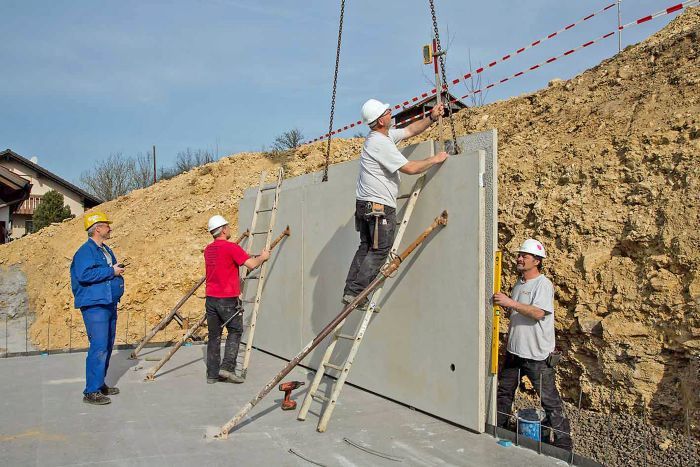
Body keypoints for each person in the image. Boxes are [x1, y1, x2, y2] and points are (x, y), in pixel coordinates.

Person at [343, 99, 450, 305]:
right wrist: (434, 160)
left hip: (367, 205)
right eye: (387, 111)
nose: (390, 112)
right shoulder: (379, 143)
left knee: (366, 247)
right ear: (380, 120)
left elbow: (409, 130)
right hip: (378, 207)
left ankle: (351, 291)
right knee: (380, 249)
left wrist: (431, 118)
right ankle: (357, 292)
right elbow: (410, 168)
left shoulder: (383, 136)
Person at [493, 239, 573, 450]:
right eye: (519, 255)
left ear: (537, 261)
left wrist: (510, 302)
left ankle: (565, 446)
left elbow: (538, 313)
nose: (519, 258)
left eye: (524, 256)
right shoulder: (520, 283)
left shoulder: (543, 285)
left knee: (550, 402)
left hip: (537, 356)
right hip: (515, 353)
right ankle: (498, 428)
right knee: (504, 393)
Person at [204, 215, 270, 384]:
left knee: (214, 336)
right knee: (235, 331)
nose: (230, 229)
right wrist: (263, 257)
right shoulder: (231, 248)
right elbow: (251, 265)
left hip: (211, 299)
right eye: (228, 226)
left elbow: (224, 263)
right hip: (227, 300)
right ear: (223, 230)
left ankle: (212, 375)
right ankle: (227, 368)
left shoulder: (208, 249)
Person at [70, 211, 124, 405]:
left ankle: (99, 383)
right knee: (99, 346)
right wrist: (112, 271)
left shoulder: (105, 250)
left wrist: (115, 271)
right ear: (97, 228)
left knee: (107, 345)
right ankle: (91, 391)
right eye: (106, 225)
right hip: (95, 305)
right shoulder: (86, 251)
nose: (110, 228)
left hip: (108, 302)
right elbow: (84, 275)